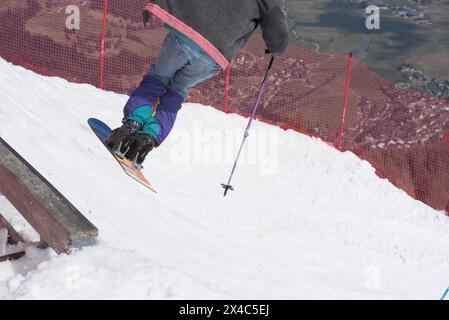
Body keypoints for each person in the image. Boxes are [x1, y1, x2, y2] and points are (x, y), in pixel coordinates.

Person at [107, 0, 290, 168]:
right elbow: (278, 36)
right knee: (177, 91)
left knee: (157, 78)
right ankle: (148, 138)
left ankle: (131, 125)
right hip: (215, 54)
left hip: (186, 33)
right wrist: (276, 47)